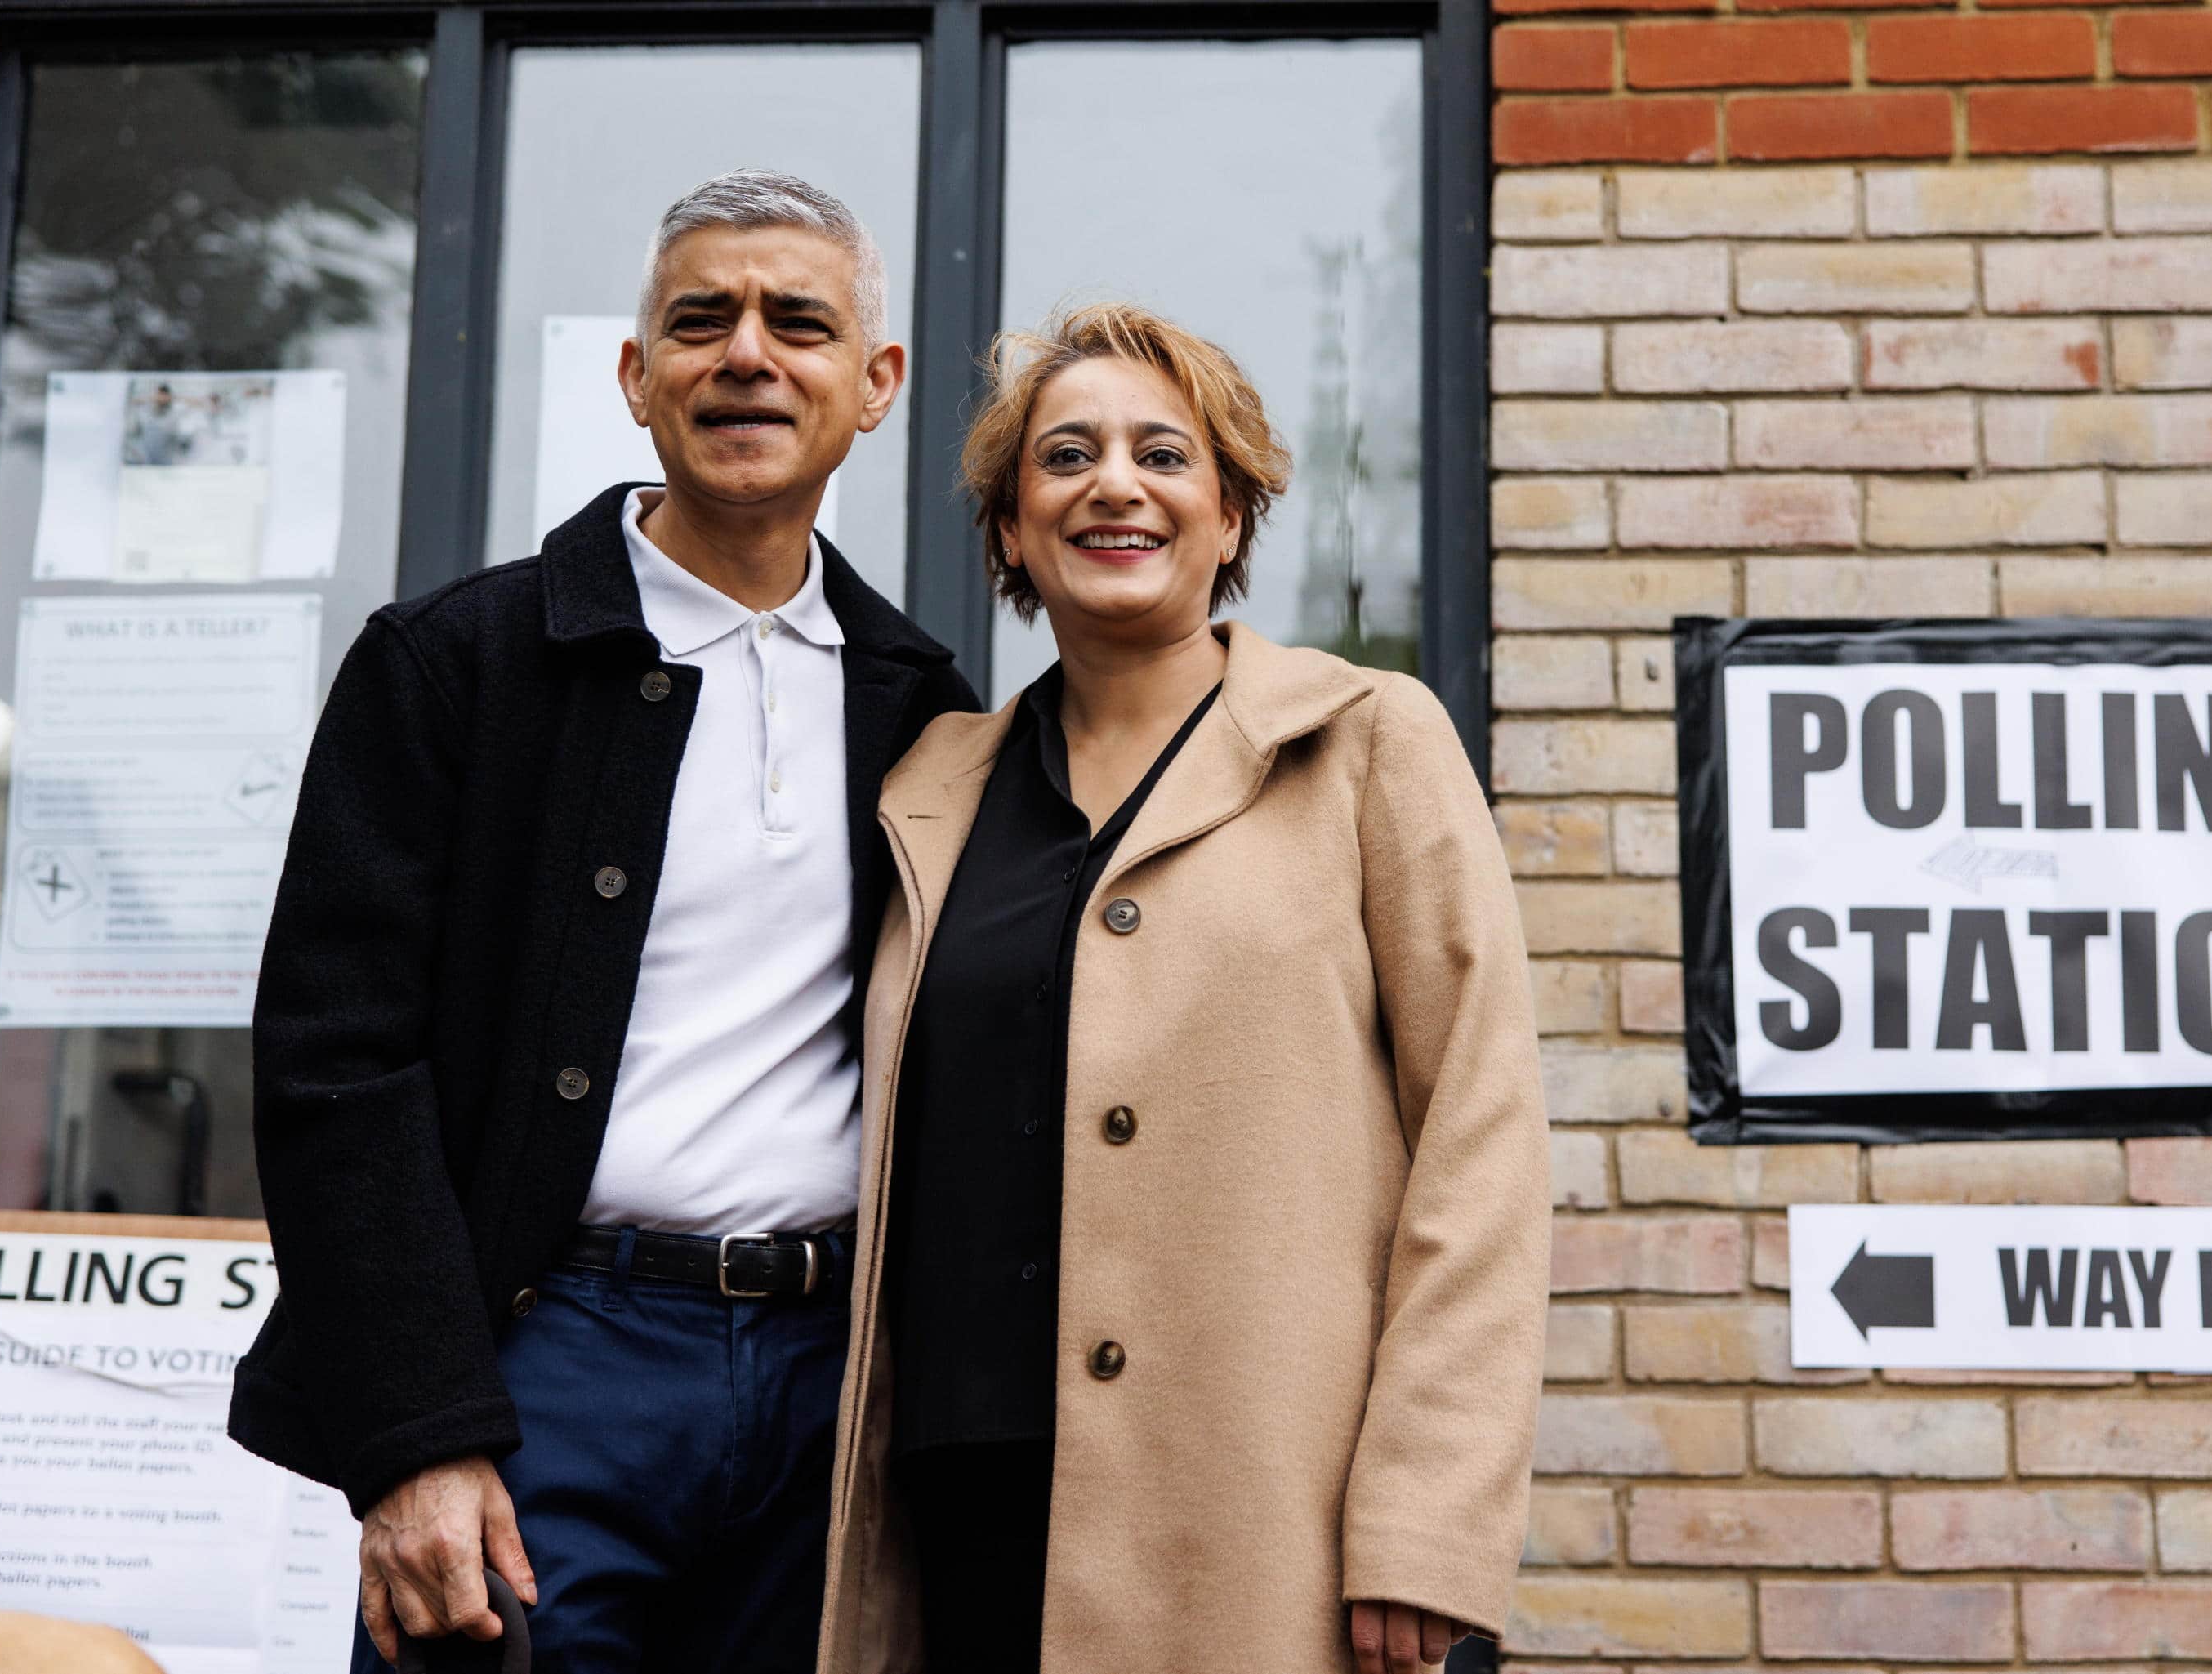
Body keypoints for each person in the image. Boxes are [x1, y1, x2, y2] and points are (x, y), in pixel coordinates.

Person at [226, 170, 979, 1672]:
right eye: (702, 321)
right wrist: (418, 1434)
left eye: (798, 322)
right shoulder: (456, 664)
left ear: (875, 383)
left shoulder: (921, 702)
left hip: (829, 1388)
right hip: (545, 1365)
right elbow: (334, 1067)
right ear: (639, 379)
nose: (747, 353)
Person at [818, 303, 1549, 1673]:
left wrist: (1427, 1520)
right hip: (962, 1503)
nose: (1115, 484)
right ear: (1010, 531)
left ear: (1229, 517)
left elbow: (1484, 1139)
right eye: (1067, 457)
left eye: (1166, 454)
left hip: (1260, 1506)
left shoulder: (1365, 744)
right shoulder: (930, 789)